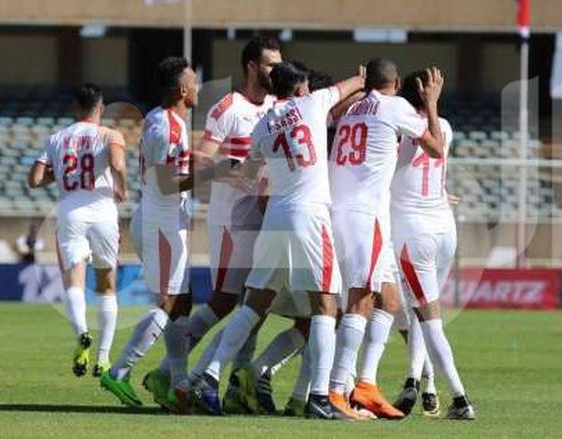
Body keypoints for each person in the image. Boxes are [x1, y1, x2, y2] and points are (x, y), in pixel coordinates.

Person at [189, 61, 366, 420]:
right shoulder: (312, 104)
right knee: (326, 306)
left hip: (275, 218)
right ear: (301, 88)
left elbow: (250, 169)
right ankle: (318, 397)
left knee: (254, 303)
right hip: (309, 215)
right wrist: (364, 78)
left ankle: (208, 377)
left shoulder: (263, 124)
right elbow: (349, 89)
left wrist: (220, 171)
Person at [327, 58, 446, 420]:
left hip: (340, 211)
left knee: (390, 301)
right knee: (361, 300)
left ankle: (365, 386)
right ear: (395, 82)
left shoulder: (350, 111)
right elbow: (437, 148)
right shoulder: (395, 106)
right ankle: (335, 392)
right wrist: (432, 102)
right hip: (365, 215)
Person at [184, 36, 282, 412]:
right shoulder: (228, 107)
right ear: (252, 67)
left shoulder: (278, 106)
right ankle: (172, 370)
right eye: (271, 64)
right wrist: (235, 173)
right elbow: (201, 161)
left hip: (264, 217)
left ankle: (237, 387)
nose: (277, 70)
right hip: (231, 219)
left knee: (255, 304)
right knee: (226, 300)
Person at [99, 57, 197, 411]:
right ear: (183, 90)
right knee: (169, 303)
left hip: (167, 222)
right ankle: (120, 371)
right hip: (162, 224)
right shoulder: (165, 127)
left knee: (183, 301)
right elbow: (166, 183)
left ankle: (178, 382)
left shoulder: (168, 121)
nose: (199, 87)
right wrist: (213, 172)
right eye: (195, 82)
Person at [388, 69, 475, 420]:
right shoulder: (447, 127)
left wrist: (429, 103)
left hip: (414, 232)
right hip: (443, 227)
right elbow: (434, 147)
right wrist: (433, 106)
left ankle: (458, 398)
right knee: (419, 313)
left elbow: (424, 148)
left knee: (425, 317)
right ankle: (417, 382)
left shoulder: (393, 131)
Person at [27, 83, 125, 378]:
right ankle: (104, 358)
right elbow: (118, 163)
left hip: (70, 211)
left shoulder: (57, 138)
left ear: (75, 108)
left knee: (74, 283)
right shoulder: (110, 135)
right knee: (107, 286)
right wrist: (123, 186)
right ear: (101, 107)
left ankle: (82, 332)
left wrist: (61, 175)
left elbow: (34, 179)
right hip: (103, 212)